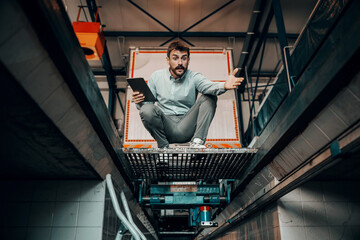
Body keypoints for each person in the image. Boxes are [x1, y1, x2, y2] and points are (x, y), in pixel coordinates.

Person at [132, 41, 243, 148]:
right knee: (146, 109)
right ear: (168, 60)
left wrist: (224, 85)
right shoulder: (156, 77)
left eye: (184, 58)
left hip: (187, 125)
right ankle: (163, 147)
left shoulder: (194, 77)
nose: (180, 63)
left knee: (209, 96)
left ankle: (197, 142)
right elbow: (147, 107)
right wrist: (140, 101)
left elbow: (208, 86)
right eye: (175, 58)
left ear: (188, 60)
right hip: (165, 127)